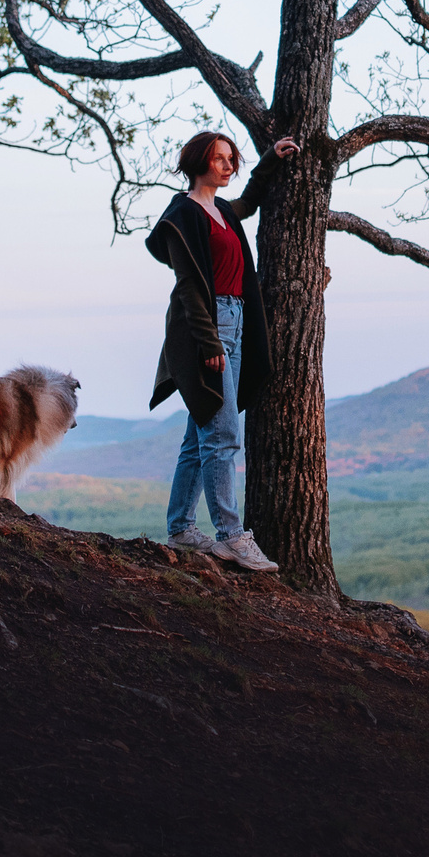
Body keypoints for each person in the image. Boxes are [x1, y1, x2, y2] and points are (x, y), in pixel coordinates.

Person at [146, 128, 300, 571]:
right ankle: (231, 536)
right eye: (219, 158)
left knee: (200, 436)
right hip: (207, 326)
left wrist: (269, 159)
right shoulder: (182, 215)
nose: (228, 165)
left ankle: (179, 527)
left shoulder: (222, 211)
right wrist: (209, 341)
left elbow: (248, 201)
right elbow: (189, 285)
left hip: (236, 319)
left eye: (231, 158)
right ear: (199, 162)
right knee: (223, 434)